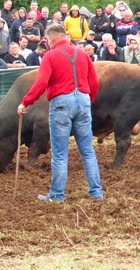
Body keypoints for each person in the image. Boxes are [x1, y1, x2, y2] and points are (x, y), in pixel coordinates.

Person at [17, 23, 103, 203]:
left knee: (60, 153)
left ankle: (57, 195)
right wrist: (88, 101)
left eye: (48, 39)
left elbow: (41, 82)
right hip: (83, 101)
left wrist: (26, 101)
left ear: (52, 38)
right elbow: (93, 82)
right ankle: (96, 193)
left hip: (62, 103)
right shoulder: (82, 53)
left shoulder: (50, 56)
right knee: (87, 151)